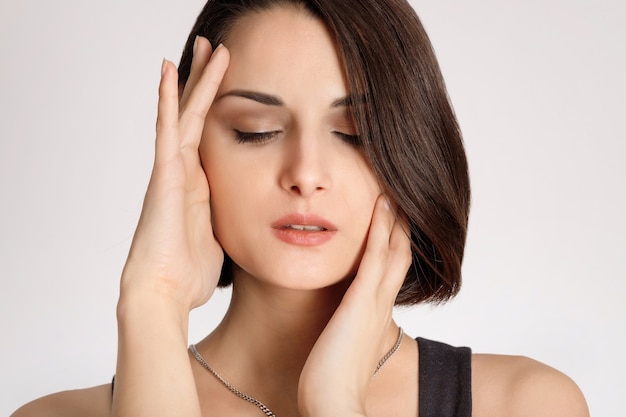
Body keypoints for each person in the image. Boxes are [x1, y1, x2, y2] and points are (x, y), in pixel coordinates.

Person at [12, 0, 589, 416]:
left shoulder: (524, 405)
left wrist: (334, 402)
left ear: (412, 149)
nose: (306, 174)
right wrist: (151, 300)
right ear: (189, 154)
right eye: (256, 130)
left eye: (355, 133)